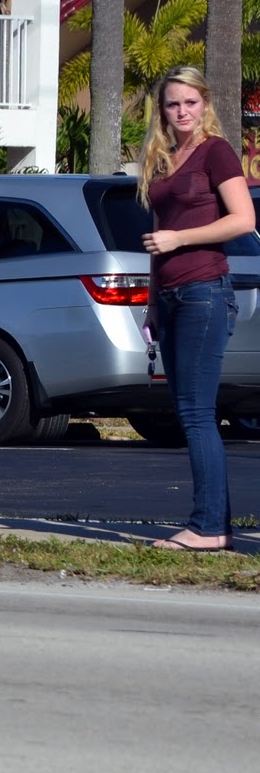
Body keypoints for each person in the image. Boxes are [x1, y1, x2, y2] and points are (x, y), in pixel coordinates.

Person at [138, 67, 254, 552]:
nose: (182, 112)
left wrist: (179, 238)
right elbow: (158, 235)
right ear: (162, 110)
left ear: (205, 104)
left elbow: (243, 220)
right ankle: (215, 525)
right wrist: (151, 301)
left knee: (197, 413)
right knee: (190, 412)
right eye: (172, 104)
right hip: (171, 295)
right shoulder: (163, 159)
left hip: (205, 290)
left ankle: (207, 528)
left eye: (190, 102)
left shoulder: (216, 151)